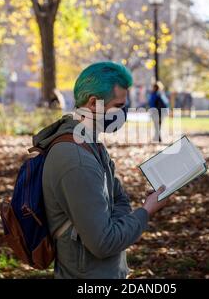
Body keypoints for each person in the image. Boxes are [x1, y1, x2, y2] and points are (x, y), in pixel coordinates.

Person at [31, 62, 169, 278]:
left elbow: (119, 200)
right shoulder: (77, 160)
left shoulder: (90, 144)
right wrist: (146, 211)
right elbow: (104, 243)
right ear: (94, 103)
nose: (123, 113)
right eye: (118, 105)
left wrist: (115, 222)